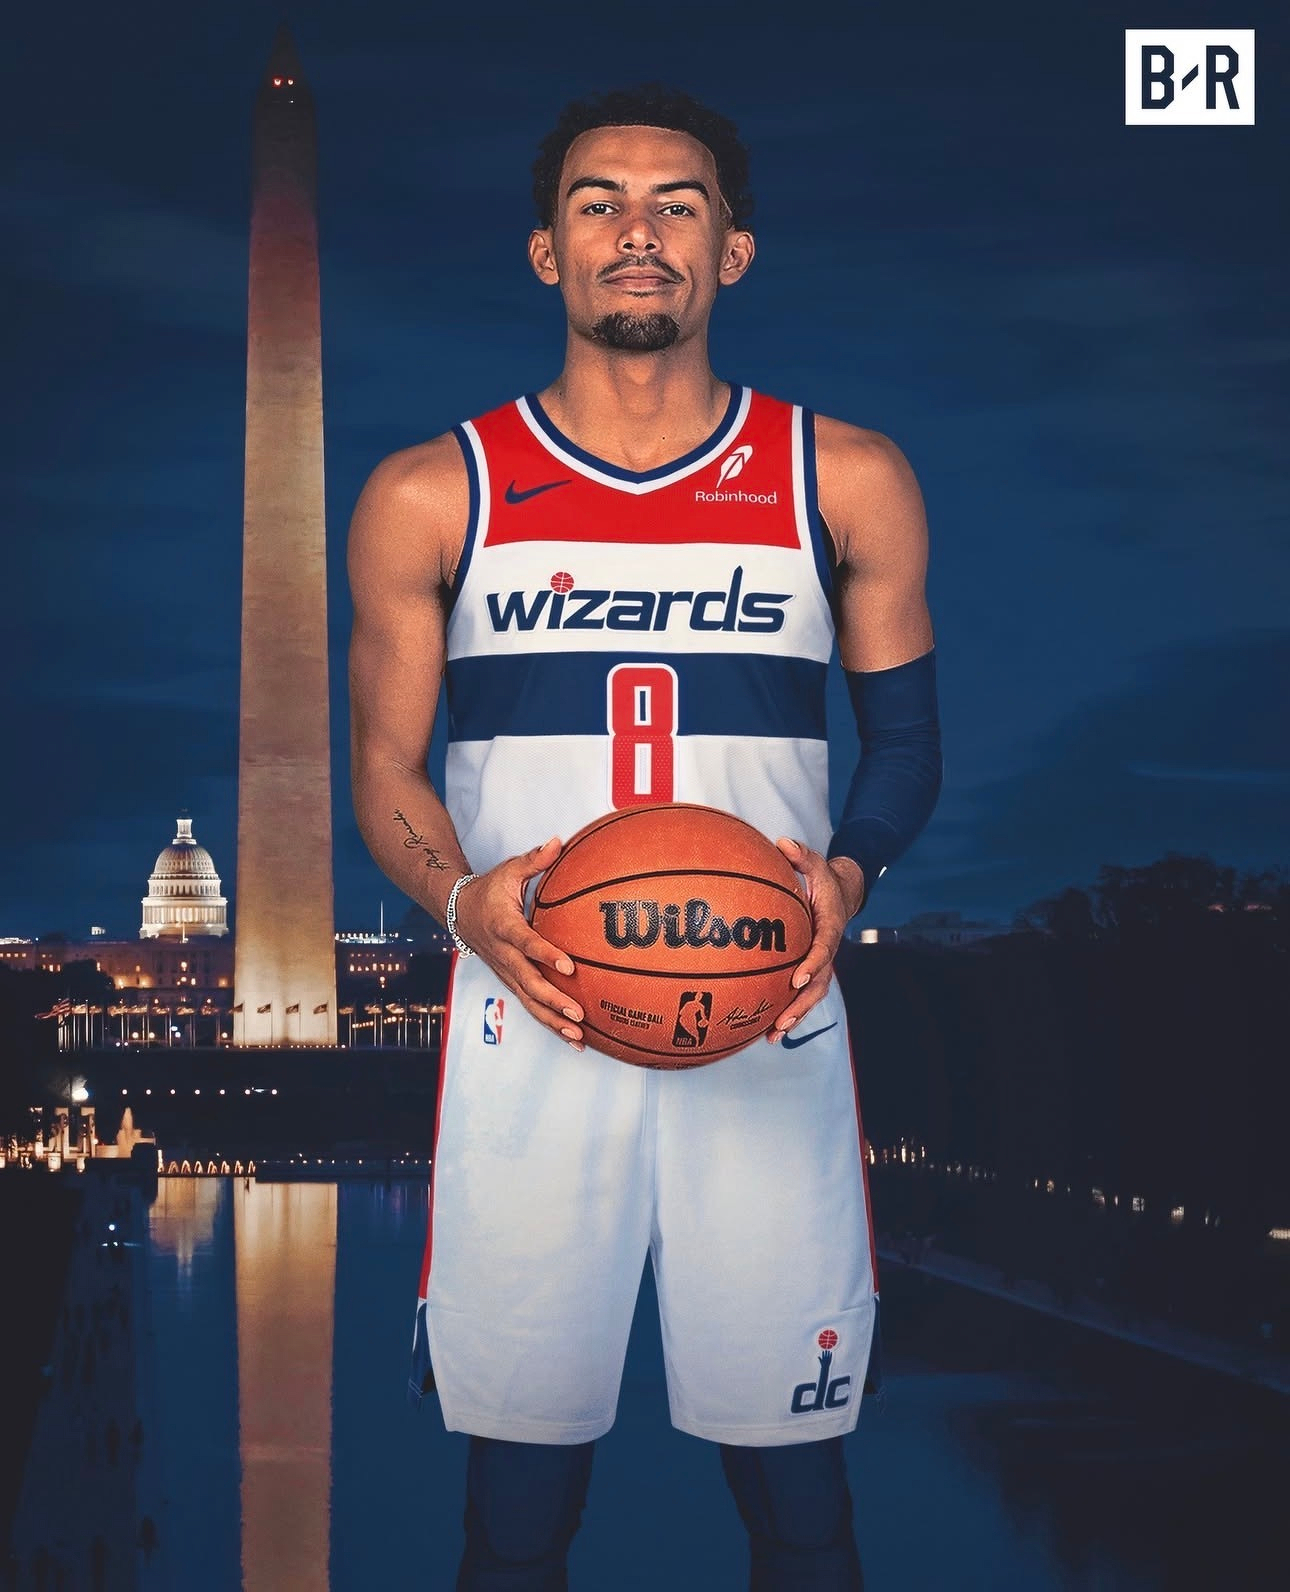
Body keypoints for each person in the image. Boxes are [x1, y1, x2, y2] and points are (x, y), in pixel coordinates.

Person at [349, 85, 942, 1591]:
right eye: (599, 202)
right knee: (517, 1511)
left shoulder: (839, 476)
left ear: (731, 251)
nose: (637, 232)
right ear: (545, 250)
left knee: (801, 1500)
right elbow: (377, 766)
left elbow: (908, 744)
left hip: (769, 1013)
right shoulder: (433, 492)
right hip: (532, 1015)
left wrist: (847, 874)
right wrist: (462, 897)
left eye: (676, 204)